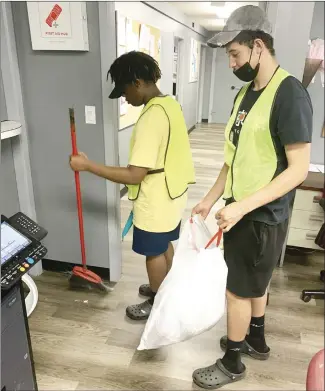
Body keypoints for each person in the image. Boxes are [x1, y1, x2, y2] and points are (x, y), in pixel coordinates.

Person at [191, 5, 312, 389]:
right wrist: (212, 198)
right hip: (239, 210)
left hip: (260, 216)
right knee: (254, 282)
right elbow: (233, 156)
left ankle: (232, 362)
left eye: (235, 54)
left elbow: (298, 170)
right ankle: (255, 338)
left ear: (258, 47)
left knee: (238, 290)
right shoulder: (245, 95)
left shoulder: (289, 94)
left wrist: (241, 207)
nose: (231, 63)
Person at [69, 51, 195, 321]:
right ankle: (164, 287)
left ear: (138, 82)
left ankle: (157, 301)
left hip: (157, 197)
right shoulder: (170, 104)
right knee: (163, 244)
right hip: (173, 193)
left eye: (125, 91)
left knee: (152, 251)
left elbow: (135, 174)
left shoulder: (151, 117)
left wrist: (88, 166)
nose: (124, 98)